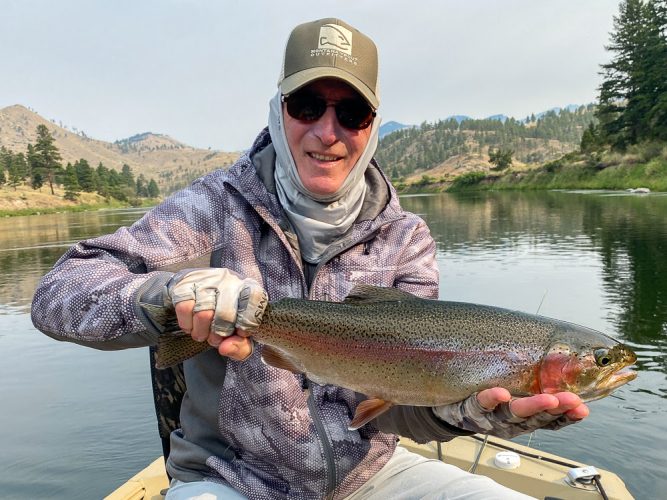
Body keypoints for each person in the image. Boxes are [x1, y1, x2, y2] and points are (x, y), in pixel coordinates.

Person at [31, 18, 589, 500]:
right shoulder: (210, 208)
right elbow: (59, 294)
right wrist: (166, 297)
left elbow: (402, 409)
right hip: (233, 479)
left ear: (371, 126)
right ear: (279, 110)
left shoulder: (405, 237)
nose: (328, 132)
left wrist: (482, 411)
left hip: (371, 475)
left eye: (350, 112)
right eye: (307, 105)